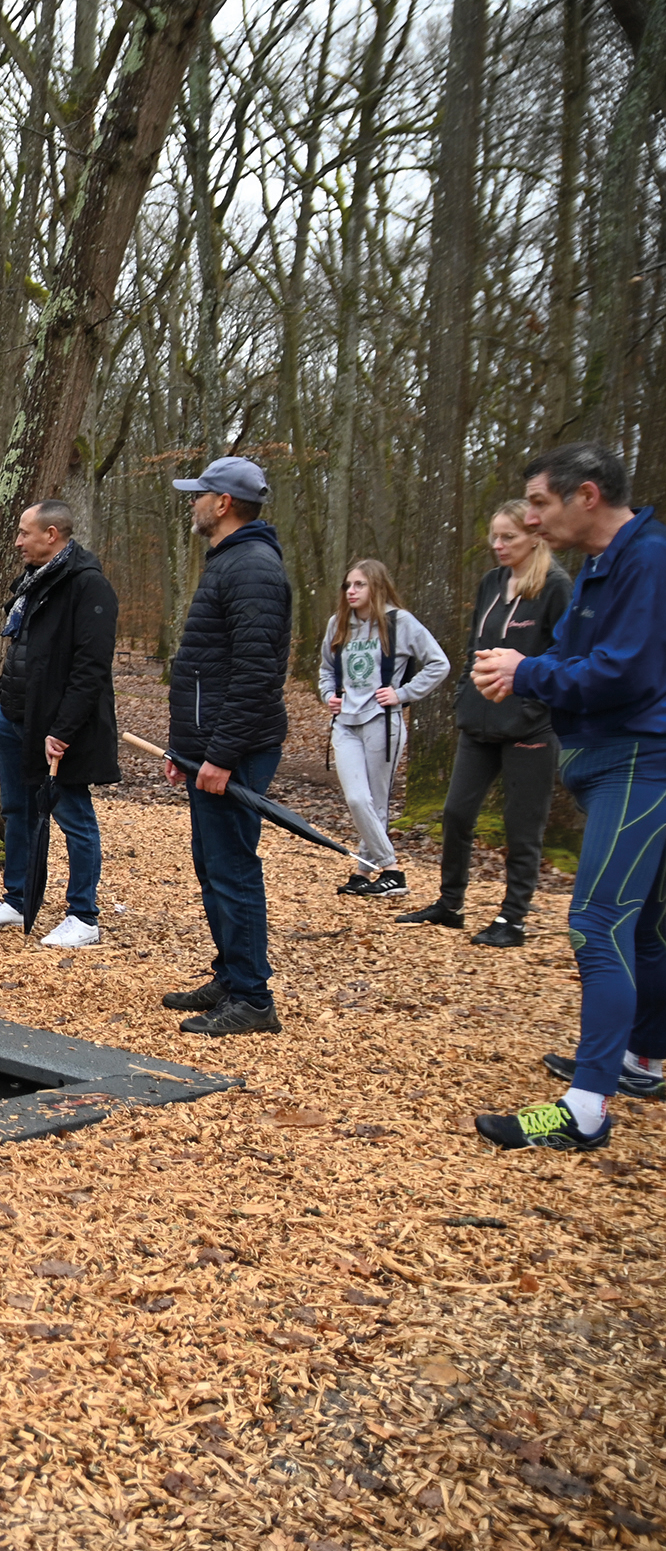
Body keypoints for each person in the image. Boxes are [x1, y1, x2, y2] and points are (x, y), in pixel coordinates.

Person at [468, 441, 666, 1151]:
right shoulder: (603, 566)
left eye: (542, 504)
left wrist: (529, 673)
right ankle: (641, 1058)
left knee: (597, 923)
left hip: (641, 764)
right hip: (614, 762)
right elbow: (588, 660)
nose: (531, 517)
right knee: (642, 927)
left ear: (588, 495)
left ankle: (586, 1108)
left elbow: (623, 673)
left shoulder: (647, 560)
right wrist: (533, 669)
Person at [397, 501, 573, 946]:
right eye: (494, 536)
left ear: (534, 535)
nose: (498, 545)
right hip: (478, 722)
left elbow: (566, 656)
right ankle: (450, 903)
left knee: (522, 824)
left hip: (530, 727)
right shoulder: (491, 582)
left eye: (508, 537)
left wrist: (533, 706)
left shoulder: (556, 587)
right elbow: (475, 644)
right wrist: (463, 699)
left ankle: (512, 918)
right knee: (456, 812)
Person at [158, 456, 292, 1037]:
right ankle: (232, 974)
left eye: (199, 494)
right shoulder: (230, 562)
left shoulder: (254, 568)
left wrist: (221, 756)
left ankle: (253, 1000)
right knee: (212, 865)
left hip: (233, 749)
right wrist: (184, 750)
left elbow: (255, 674)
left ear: (224, 503)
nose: (192, 503)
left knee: (233, 868)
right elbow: (207, 670)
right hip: (208, 747)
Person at [0, 501, 121, 945]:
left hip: (57, 730)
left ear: (52, 534)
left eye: (24, 533)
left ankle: (84, 916)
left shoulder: (89, 587)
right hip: (14, 717)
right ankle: (17, 900)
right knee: (17, 812)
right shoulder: (32, 583)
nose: (17, 541)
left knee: (73, 817)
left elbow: (91, 669)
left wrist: (63, 731)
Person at [318, 558, 450, 899]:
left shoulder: (400, 623)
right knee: (357, 798)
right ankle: (391, 869)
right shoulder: (338, 624)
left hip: (383, 723)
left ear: (376, 587)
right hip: (345, 723)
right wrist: (329, 695)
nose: (351, 591)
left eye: (359, 585)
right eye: (348, 585)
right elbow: (326, 669)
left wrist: (403, 694)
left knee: (375, 801)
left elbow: (439, 663)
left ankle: (364, 871)